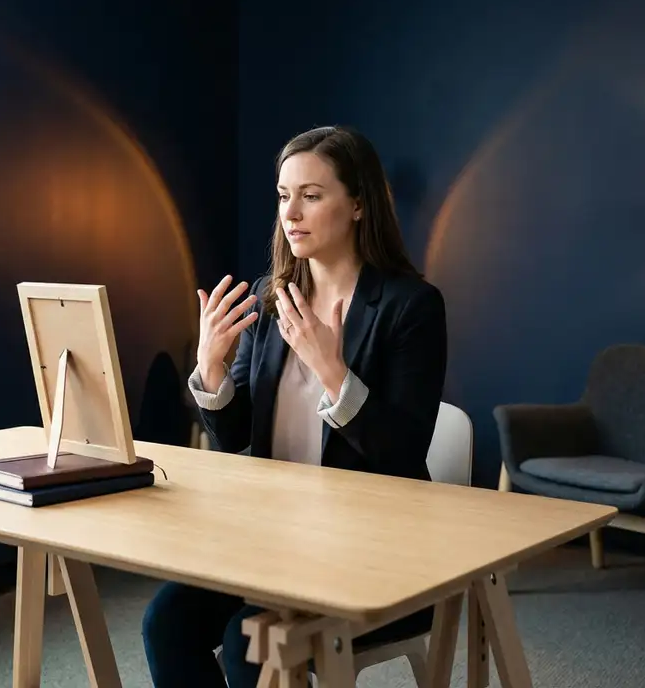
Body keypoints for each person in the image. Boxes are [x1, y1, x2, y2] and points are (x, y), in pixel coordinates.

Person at [141, 125, 448, 687]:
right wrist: (210, 369)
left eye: (312, 195)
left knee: (246, 642)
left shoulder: (411, 307)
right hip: (273, 538)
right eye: (284, 196)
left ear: (358, 205)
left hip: (371, 548)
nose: (292, 213)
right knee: (166, 623)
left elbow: (402, 452)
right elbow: (232, 434)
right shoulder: (272, 293)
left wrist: (332, 370)